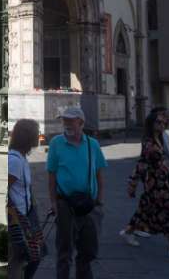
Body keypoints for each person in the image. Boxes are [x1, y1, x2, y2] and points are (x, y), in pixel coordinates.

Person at [47, 106, 107, 279]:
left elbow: (100, 174)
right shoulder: (56, 143)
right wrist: (53, 203)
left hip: (90, 204)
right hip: (65, 203)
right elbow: (51, 176)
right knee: (64, 251)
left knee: (88, 251)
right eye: (63, 120)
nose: (65, 123)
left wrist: (99, 201)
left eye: (69, 120)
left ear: (80, 122)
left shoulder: (92, 144)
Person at [120, 108, 169, 256]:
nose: (162, 124)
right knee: (168, 211)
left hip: (164, 180)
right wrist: (133, 182)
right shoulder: (148, 142)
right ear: (152, 124)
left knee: (145, 211)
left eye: (164, 122)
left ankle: (128, 231)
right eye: (159, 122)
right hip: (155, 184)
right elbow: (142, 164)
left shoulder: (161, 138)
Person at [8, 119, 43, 279]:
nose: (39, 136)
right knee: (24, 258)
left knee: (35, 255)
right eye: (37, 133)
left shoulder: (22, 158)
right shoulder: (14, 161)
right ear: (27, 137)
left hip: (27, 215)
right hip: (18, 219)